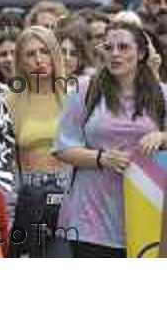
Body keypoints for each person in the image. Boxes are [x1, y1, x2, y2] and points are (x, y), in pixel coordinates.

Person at [53, 22, 167, 258]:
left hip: (149, 212)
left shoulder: (162, 93)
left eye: (124, 47)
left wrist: (163, 135)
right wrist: (102, 158)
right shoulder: (85, 90)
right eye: (109, 47)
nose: (115, 53)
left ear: (142, 53)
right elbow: (62, 148)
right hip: (91, 218)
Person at [6, 26, 71, 257]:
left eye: (44, 51)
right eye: (30, 54)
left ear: (54, 55)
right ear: (21, 62)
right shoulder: (9, 99)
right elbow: (6, 163)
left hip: (69, 189)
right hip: (28, 190)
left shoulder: (73, 96)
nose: (39, 60)